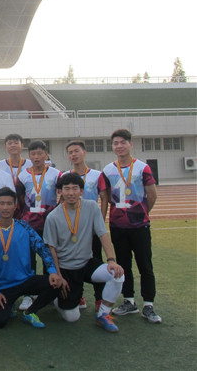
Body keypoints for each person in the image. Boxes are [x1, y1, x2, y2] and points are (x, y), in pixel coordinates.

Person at [43, 173, 125, 332]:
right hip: (66, 268)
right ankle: (57, 299)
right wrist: (59, 275)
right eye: (67, 189)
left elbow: (102, 234)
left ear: (81, 191)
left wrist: (111, 260)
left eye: (75, 188)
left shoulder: (91, 207)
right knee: (72, 317)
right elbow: (51, 249)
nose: (71, 193)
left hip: (87, 263)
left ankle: (103, 315)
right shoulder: (52, 217)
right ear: (60, 192)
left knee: (117, 275)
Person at [0, 188, 62, 329]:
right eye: (2, 204)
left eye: (9, 203)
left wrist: (53, 271)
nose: (5, 207)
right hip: (3, 286)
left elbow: (42, 249)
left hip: (26, 280)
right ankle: (9, 306)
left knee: (56, 284)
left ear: (15, 206)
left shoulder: (24, 227)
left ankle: (30, 312)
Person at [101, 129, 161, 323]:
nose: (119, 146)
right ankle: (129, 301)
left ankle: (149, 304)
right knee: (123, 265)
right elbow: (105, 196)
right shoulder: (108, 170)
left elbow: (152, 195)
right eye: (116, 143)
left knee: (145, 265)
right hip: (118, 226)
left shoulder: (143, 168)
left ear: (130, 144)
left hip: (139, 226)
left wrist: (140, 214)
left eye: (123, 142)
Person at [16, 140, 60, 310]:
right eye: (33, 154)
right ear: (29, 156)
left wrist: (55, 212)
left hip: (49, 224)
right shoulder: (23, 176)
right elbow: (20, 199)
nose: (36, 157)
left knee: (49, 257)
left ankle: (49, 292)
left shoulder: (56, 174)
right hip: (29, 225)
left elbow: (62, 194)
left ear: (46, 154)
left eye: (40, 153)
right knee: (29, 260)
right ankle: (29, 294)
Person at [64, 140, 108, 311]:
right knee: (74, 261)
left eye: (76, 151)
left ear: (84, 152)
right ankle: (79, 295)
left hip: (91, 229)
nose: (73, 155)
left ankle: (99, 298)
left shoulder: (97, 175)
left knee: (96, 260)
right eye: (70, 152)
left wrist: (100, 222)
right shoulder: (65, 176)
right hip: (73, 229)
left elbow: (104, 198)